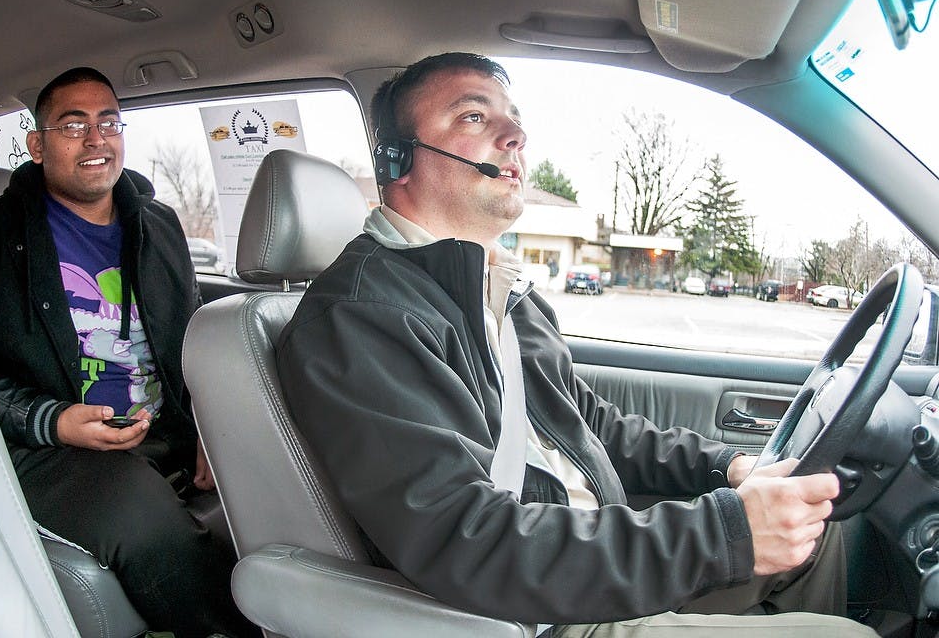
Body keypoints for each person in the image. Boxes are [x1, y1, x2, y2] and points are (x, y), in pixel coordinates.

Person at [276, 53, 876, 637]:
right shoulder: (362, 317)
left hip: (588, 557)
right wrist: (724, 535)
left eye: (514, 119)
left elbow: (592, 426)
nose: (515, 135)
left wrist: (727, 467)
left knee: (813, 533)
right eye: (474, 117)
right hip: (538, 609)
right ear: (397, 160)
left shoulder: (502, 291)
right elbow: (466, 537)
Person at [0, 67, 255, 638]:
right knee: (137, 509)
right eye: (73, 124)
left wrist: (212, 427)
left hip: (164, 432)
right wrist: (51, 420)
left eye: (109, 121)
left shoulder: (158, 225)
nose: (96, 138)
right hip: (48, 449)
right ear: (37, 145)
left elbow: (188, 342)